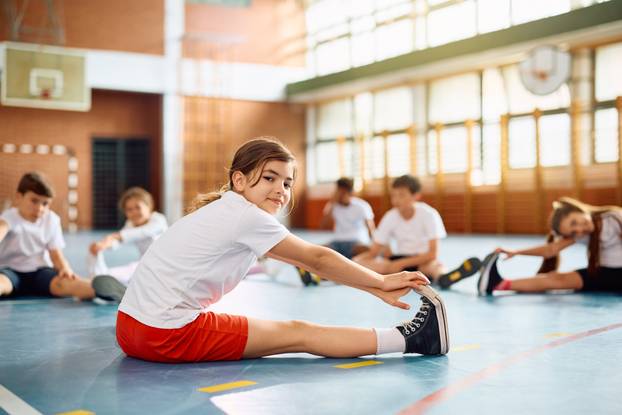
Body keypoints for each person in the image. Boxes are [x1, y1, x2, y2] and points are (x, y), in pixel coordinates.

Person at [116, 137, 449, 362]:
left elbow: (312, 262)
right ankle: (413, 340)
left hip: (130, 326)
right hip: (162, 333)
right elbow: (316, 258)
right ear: (240, 180)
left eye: (287, 183)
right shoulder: (246, 217)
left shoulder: (227, 208)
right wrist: (381, 281)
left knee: (289, 329)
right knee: (298, 333)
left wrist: (374, 286)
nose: (280, 190)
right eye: (269, 178)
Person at [353, 174, 480, 288]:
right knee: (365, 263)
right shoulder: (390, 216)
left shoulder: (429, 214)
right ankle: (402, 276)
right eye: (393, 195)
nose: (396, 200)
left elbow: (432, 253)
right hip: (396, 262)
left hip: (421, 261)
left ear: (416, 196)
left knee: (435, 266)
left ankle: (444, 277)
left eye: (401, 195)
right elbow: (374, 251)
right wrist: (354, 263)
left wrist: (401, 263)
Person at [478, 197, 622, 295]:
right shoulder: (582, 233)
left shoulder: (613, 218)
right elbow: (550, 250)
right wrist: (516, 252)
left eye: (574, 222)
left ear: (579, 210)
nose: (579, 230)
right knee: (556, 278)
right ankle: (498, 284)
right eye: (573, 232)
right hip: (603, 274)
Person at [0, 172, 94, 300]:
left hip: (40, 272)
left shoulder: (51, 219)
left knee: (66, 284)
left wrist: (65, 268)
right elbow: (2, 228)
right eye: (34, 201)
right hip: (11, 272)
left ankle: (99, 289)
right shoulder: (9, 217)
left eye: (45, 203)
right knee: (2, 284)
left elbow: (56, 255)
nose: (39, 208)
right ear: (18, 197)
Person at [88, 187, 168, 302]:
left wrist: (113, 236)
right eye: (129, 210)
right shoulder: (130, 224)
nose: (134, 212)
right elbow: (118, 241)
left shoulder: (158, 220)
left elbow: (141, 232)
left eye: (137, 207)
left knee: (141, 277)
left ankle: (129, 291)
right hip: (143, 266)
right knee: (108, 276)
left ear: (149, 206)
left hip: (164, 269)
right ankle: (114, 291)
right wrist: (101, 245)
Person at [297, 177, 375, 286]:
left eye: (342, 192)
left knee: (368, 251)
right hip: (337, 243)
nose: (339, 195)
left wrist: (374, 246)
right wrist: (332, 204)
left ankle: (322, 276)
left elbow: (371, 229)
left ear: (350, 193)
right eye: (338, 191)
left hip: (356, 243)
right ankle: (312, 272)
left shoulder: (362, 206)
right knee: (316, 250)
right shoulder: (333, 205)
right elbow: (323, 226)